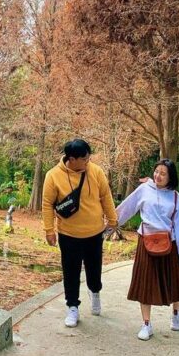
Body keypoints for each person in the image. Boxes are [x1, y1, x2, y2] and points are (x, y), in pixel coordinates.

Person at [43, 139, 118, 328]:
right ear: (72, 159)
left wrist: (113, 219)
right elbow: (47, 204)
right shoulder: (53, 176)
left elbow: (106, 196)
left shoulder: (96, 171)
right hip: (69, 234)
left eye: (88, 157)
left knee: (94, 269)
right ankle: (73, 307)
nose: (88, 161)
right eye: (84, 158)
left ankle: (95, 292)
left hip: (94, 232)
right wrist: (49, 230)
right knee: (71, 272)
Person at [116, 158, 179, 341]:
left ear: (170, 177)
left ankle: (176, 313)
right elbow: (126, 209)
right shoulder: (144, 190)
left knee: (174, 282)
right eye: (157, 172)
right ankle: (146, 324)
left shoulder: (175, 197)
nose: (158, 176)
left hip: (168, 243)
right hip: (146, 242)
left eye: (163, 173)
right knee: (145, 284)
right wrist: (108, 224)